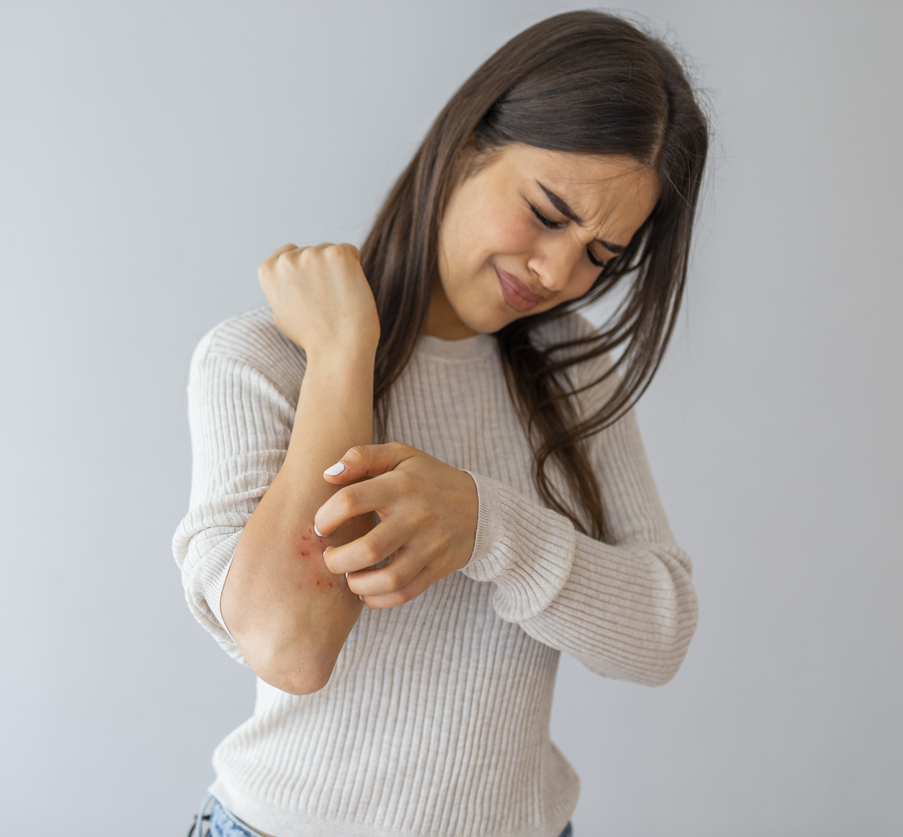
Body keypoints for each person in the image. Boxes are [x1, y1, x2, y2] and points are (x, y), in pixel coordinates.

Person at [172, 9, 708, 837]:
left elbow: (660, 629)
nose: (561, 271)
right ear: (465, 145)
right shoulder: (263, 359)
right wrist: (346, 352)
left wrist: (488, 525)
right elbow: (292, 645)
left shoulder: (569, 367)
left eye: (603, 255)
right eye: (548, 212)